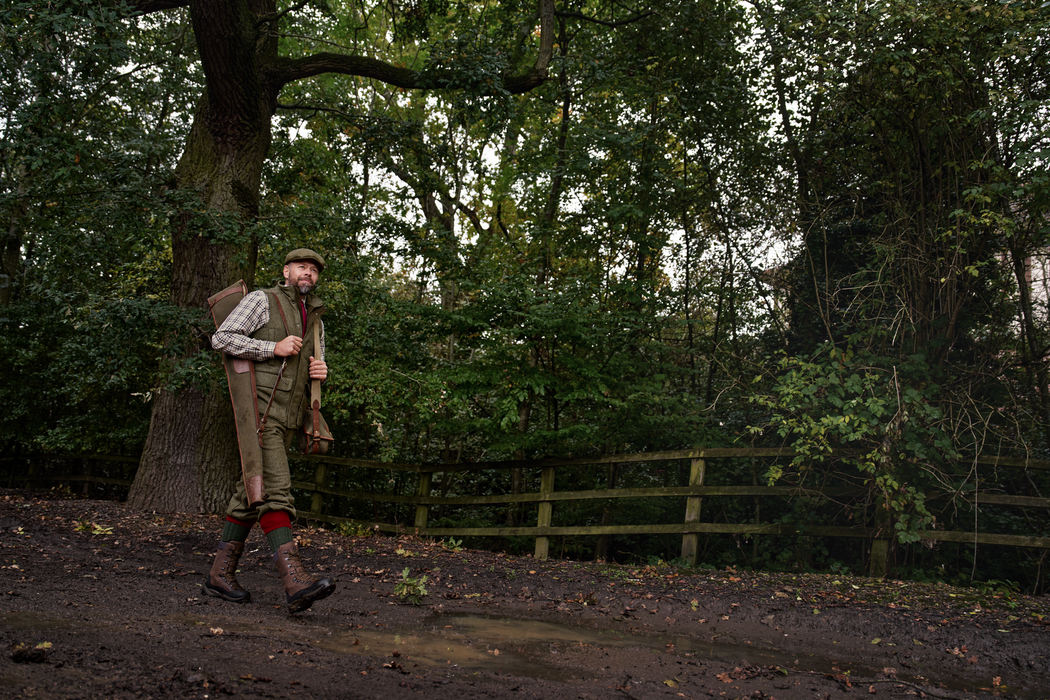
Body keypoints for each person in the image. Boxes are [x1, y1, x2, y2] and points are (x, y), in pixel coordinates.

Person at [203, 248, 336, 613]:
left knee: (251, 493)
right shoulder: (263, 299)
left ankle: (219, 575)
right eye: (301, 267)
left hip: (288, 418)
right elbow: (222, 338)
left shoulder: (316, 320)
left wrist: (321, 373)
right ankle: (295, 582)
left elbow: (313, 364)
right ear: (286, 271)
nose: (307, 274)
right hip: (259, 414)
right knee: (277, 490)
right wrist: (271, 347)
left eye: (313, 270)